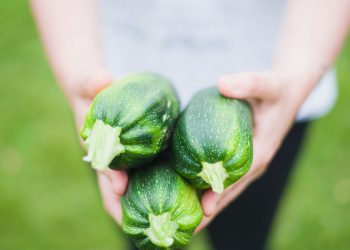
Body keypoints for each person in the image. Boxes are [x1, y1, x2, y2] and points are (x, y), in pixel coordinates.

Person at [30, 0, 350, 249]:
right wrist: (77, 69)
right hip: (119, 86)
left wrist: (297, 79)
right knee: (144, 236)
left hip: (269, 92)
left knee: (245, 236)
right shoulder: (110, 120)